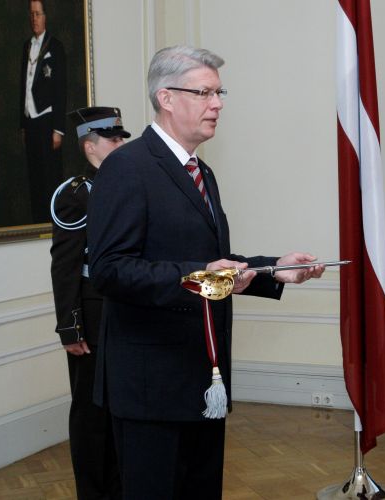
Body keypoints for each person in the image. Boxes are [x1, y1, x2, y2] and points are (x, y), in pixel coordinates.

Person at [86, 45, 325, 500]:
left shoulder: (201, 171)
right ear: (166, 97)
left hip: (202, 379)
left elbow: (211, 260)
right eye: (204, 93)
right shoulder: (127, 167)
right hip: (150, 388)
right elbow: (109, 270)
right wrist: (200, 274)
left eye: (219, 93)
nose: (217, 104)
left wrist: (274, 270)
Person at [50, 106, 130, 499]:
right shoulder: (76, 194)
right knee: (91, 413)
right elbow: (65, 265)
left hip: (126, 312)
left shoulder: (126, 184)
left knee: (121, 409)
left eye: (121, 138)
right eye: (112, 139)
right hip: (92, 316)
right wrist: (70, 327)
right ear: (89, 146)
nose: (120, 144)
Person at [20, 0, 66, 223]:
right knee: (34, 175)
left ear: (45, 16)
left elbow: (61, 89)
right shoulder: (26, 46)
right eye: (31, 14)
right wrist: (22, 123)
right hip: (30, 120)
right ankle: (37, 221)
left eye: (38, 14)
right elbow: (22, 86)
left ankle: (53, 222)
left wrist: (58, 129)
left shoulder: (55, 47)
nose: (34, 19)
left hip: (48, 121)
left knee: (50, 176)